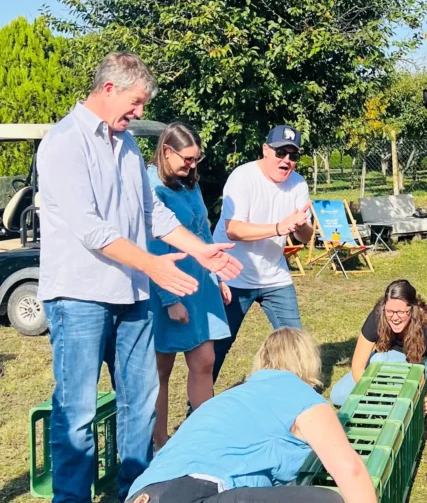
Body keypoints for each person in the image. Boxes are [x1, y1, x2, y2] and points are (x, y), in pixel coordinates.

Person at [36, 52, 242, 503]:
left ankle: (135, 493)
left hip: (131, 297)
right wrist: (153, 266)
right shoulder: (65, 142)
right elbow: (92, 229)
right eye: (136, 101)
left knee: (143, 402)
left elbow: (153, 213)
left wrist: (201, 250)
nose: (140, 112)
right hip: (79, 297)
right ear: (108, 89)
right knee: (78, 412)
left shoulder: (126, 145)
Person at [126, 328, 377, 503]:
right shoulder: (298, 393)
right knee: (329, 501)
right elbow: (350, 470)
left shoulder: (232, 397)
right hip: (197, 492)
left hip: (142, 492)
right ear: (308, 362)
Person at [146, 123, 231, 449]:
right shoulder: (151, 186)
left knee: (205, 360)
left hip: (200, 284)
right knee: (161, 370)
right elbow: (154, 245)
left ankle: (202, 441)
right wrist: (169, 298)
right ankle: (161, 444)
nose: (193, 166)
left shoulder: (188, 183)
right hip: (167, 283)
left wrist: (217, 273)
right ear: (166, 152)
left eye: (197, 159)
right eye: (187, 159)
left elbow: (203, 231)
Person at [211, 125, 313, 383]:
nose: (287, 160)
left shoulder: (298, 183)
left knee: (294, 342)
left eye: (293, 155)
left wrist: (301, 226)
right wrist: (279, 228)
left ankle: (295, 397)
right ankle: (197, 407)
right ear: (266, 150)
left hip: (274, 276)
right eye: (281, 152)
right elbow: (233, 229)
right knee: (218, 346)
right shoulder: (243, 177)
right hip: (232, 274)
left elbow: (306, 236)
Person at [329, 280, 427, 412]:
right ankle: (388, 391)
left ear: (412, 309)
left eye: (401, 312)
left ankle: (406, 392)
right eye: (390, 311)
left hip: (421, 363)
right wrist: (370, 392)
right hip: (388, 358)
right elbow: (358, 365)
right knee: (339, 396)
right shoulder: (377, 315)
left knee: (378, 360)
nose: (395, 317)